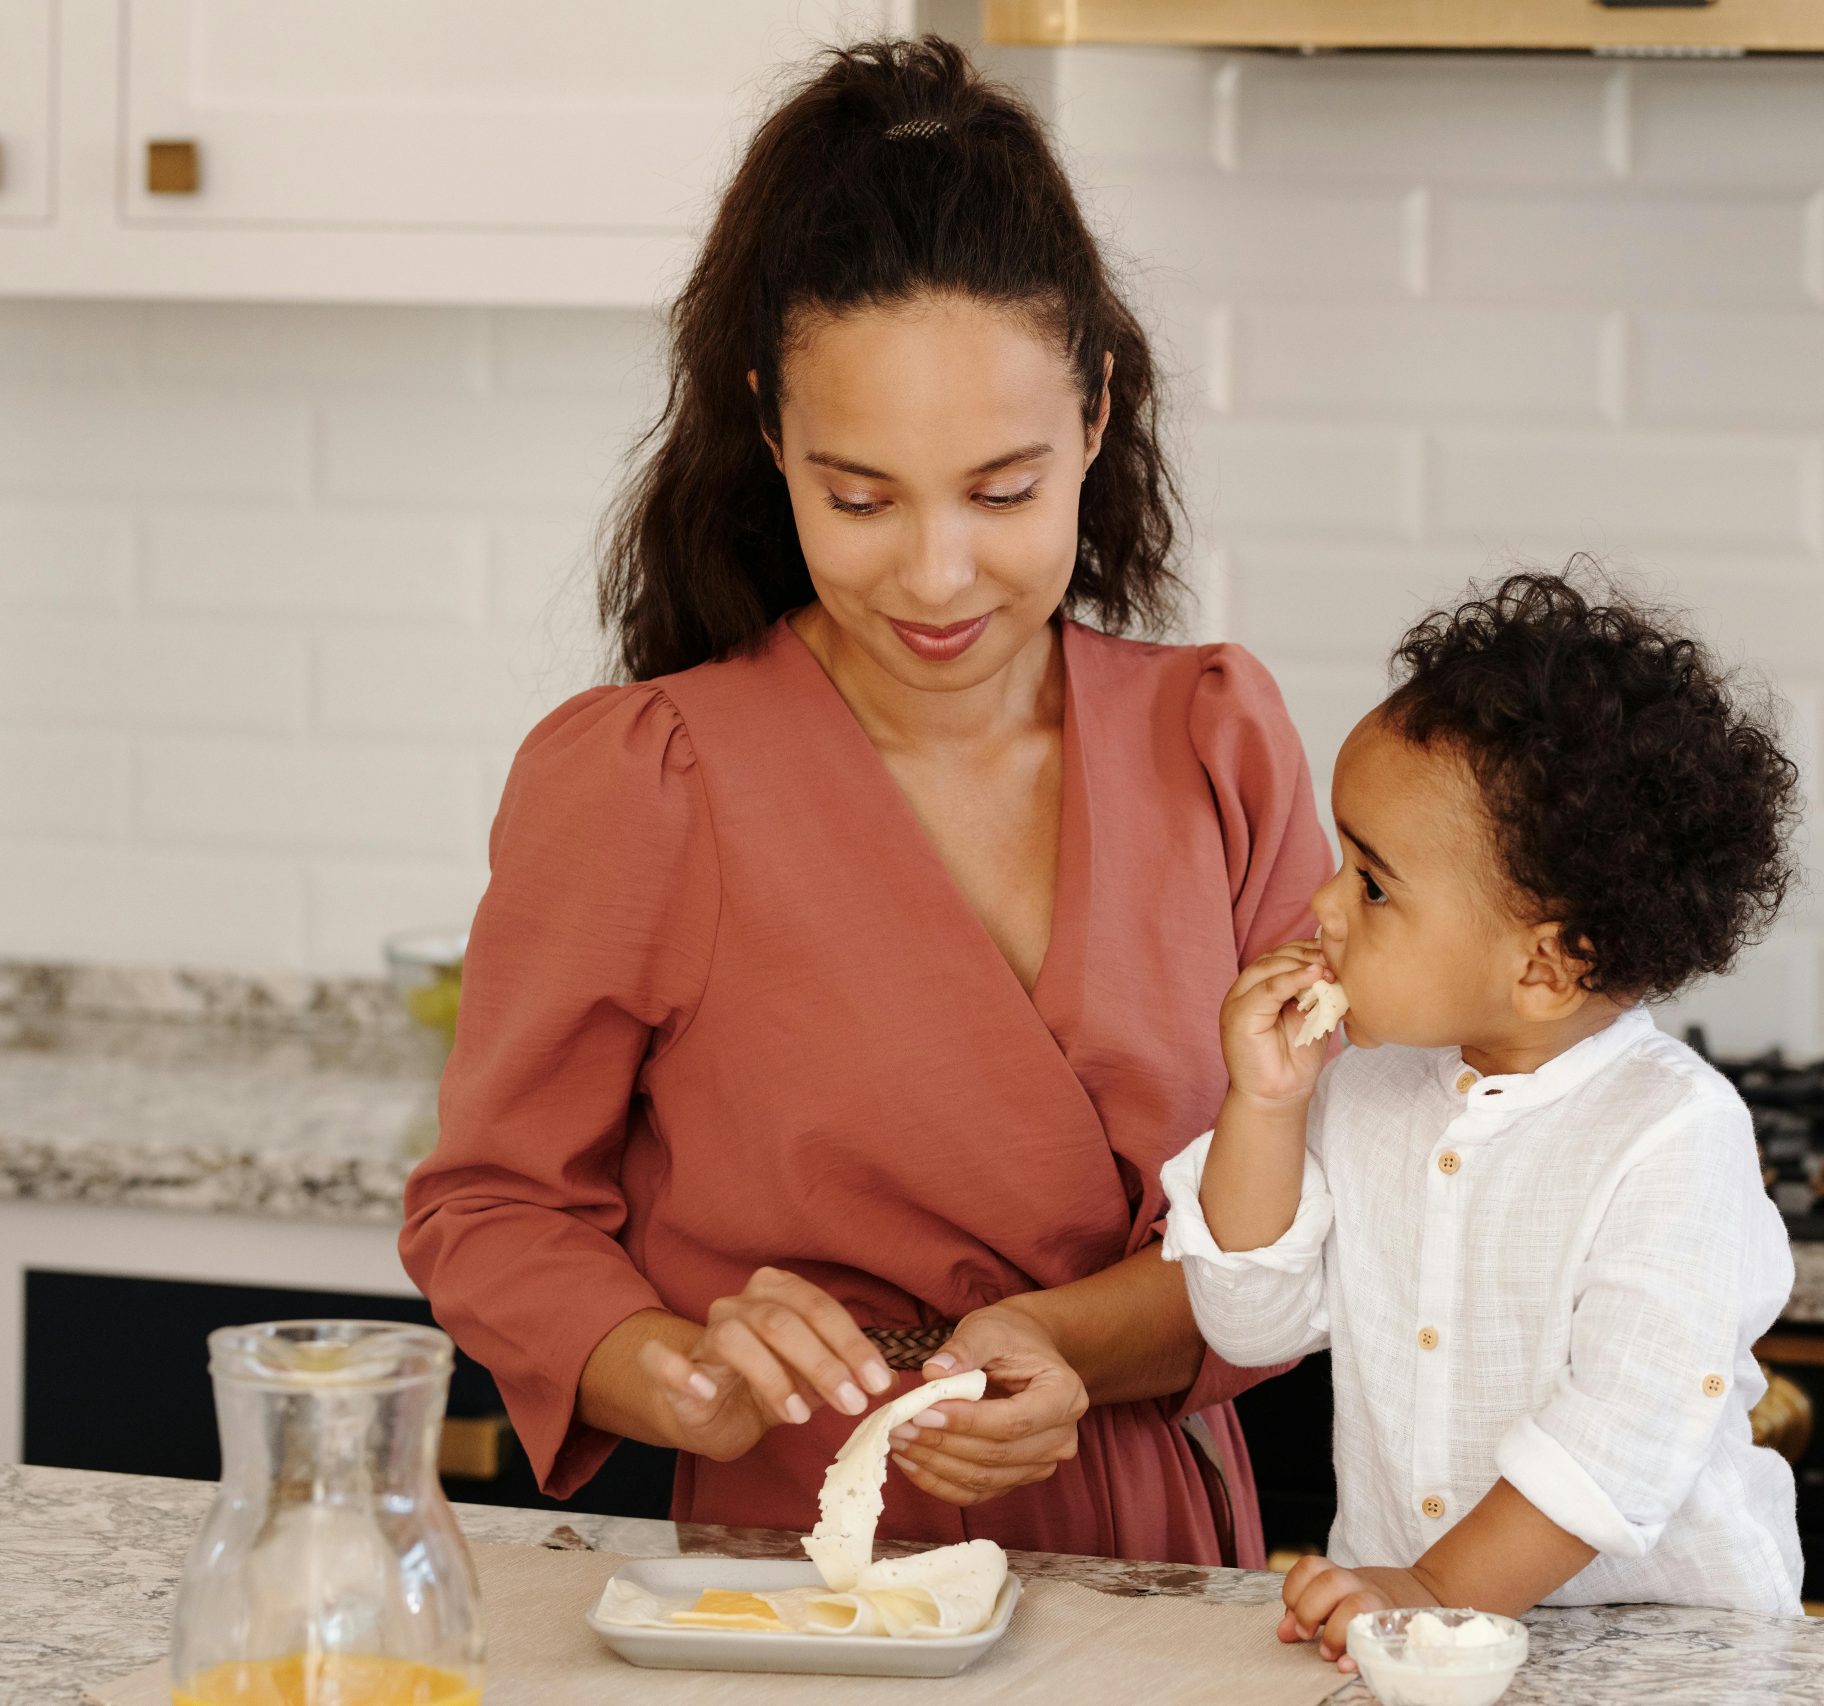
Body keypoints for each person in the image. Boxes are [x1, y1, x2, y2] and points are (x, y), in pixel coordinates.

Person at [398, 36, 1328, 1569]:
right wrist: (673, 1370)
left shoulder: (1217, 744)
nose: (939, 572)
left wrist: (1066, 1348)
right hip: (805, 1564)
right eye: (860, 496)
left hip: (1172, 1575)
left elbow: (1309, 1217)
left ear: (1096, 412)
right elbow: (493, 1208)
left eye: (1005, 488)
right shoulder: (650, 780)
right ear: (768, 431)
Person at [1159, 571, 1806, 1658]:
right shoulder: (1365, 1086)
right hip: (1416, 1640)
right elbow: (1248, 1324)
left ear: (1547, 966)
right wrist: (1265, 1103)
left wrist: (1429, 1582)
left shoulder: (1670, 1135)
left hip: (1663, 1654)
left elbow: (1619, 1436)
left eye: (1371, 883)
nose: (1320, 904)